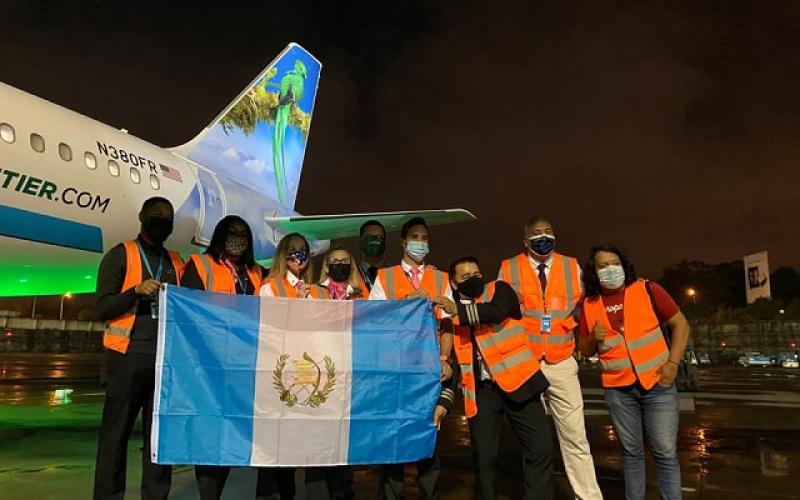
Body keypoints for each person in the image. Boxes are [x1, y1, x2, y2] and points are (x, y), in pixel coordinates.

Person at [498, 216, 602, 500]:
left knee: (575, 437)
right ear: (525, 241)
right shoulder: (508, 268)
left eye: (548, 232)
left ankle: (589, 496)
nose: (543, 237)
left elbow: (587, 308)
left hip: (562, 361)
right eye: (536, 233)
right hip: (526, 363)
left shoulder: (572, 267)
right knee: (535, 442)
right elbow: (499, 313)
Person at [434, 256, 554, 499]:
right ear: (454, 284)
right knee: (484, 458)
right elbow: (454, 357)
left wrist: (457, 310)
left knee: (540, 449)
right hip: (482, 392)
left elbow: (496, 312)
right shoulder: (448, 311)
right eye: (465, 277)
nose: (473, 279)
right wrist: (443, 401)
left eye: (476, 274)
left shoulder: (499, 289)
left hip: (520, 382)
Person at [578, 245, 690, 500]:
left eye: (614, 263)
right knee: (632, 453)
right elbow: (583, 349)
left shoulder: (648, 289)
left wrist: (672, 364)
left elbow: (681, 324)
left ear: (623, 265)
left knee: (665, 452)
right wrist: (593, 339)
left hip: (657, 383)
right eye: (602, 265)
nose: (610, 269)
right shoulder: (589, 303)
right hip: (619, 390)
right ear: (594, 272)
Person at [93, 197, 183, 500]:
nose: (162, 221)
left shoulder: (176, 262)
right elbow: (102, 307)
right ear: (141, 216)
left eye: (168, 217)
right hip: (125, 360)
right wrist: (135, 291)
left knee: (159, 441)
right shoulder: (120, 255)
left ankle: (156, 495)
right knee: (114, 440)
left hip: (163, 364)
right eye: (156, 215)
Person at [369, 216, 455, 500]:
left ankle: (427, 492)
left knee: (430, 432)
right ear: (404, 242)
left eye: (424, 237)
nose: (421, 242)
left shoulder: (440, 278)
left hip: (428, 367)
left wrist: (444, 358)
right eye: (415, 237)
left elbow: (447, 325)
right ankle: (392, 493)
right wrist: (407, 300)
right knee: (394, 433)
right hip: (395, 367)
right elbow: (374, 320)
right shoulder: (385, 277)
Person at [180, 215, 264, 500]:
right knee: (209, 437)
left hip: (244, 369)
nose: (238, 239)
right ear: (220, 236)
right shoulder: (200, 265)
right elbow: (187, 315)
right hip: (209, 368)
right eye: (232, 233)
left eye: (243, 234)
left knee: (231, 438)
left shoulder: (257, 273)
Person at [257, 232, 328, 498]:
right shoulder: (270, 287)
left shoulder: (315, 291)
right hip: (278, 373)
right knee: (273, 449)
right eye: (294, 250)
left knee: (294, 448)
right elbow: (267, 326)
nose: (299, 256)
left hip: (306, 374)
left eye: (304, 251)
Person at [302, 245, 366, 500]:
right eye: (335, 261)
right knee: (317, 444)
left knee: (344, 444)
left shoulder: (361, 295)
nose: (340, 264)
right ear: (326, 266)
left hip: (350, 379)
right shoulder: (312, 293)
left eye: (345, 260)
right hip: (320, 378)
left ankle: (343, 492)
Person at [260, 232, 328, 299]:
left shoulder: (321, 291)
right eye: (292, 250)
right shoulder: (269, 288)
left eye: (302, 250)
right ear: (282, 255)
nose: (298, 254)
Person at [357, 219, 388, 291]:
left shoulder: (395, 274)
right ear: (360, 243)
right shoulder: (352, 274)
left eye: (379, 237)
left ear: (385, 244)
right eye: (369, 237)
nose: (374, 240)